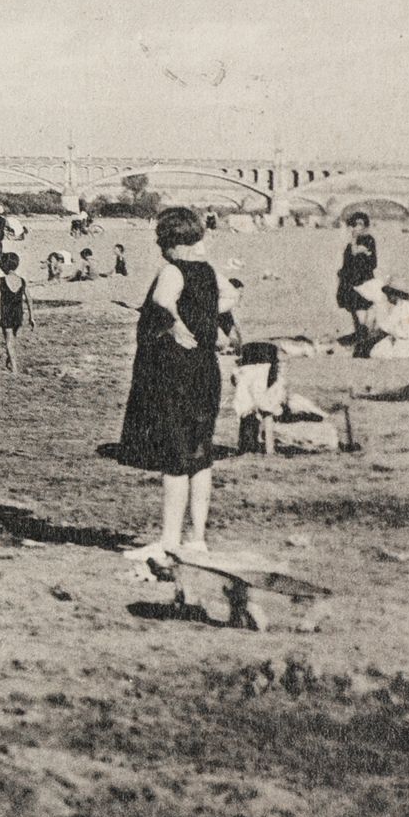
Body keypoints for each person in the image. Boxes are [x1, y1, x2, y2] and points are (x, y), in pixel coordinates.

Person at [116, 207, 237, 563]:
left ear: (168, 242)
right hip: (205, 370)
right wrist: (210, 322)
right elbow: (231, 297)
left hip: (176, 372)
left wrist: (178, 326)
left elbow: (161, 300)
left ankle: (169, 540)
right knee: (200, 454)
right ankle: (197, 538)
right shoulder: (209, 271)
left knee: (175, 456)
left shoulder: (173, 270)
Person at [354, 279, 409, 359]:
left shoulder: (403, 307)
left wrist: (368, 343)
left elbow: (386, 329)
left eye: (390, 294)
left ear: (397, 294)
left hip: (408, 345)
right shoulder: (402, 305)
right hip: (405, 342)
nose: (387, 296)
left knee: (375, 353)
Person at [0, 251, 33, 372]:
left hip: (7, 313)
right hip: (19, 314)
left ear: (4, 265)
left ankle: (14, 368)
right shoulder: (22, 281)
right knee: (13, 337)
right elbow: (29, 299)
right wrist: (31, 317)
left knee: (8, 340)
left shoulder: (2, 281)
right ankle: (10, 361)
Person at [336, 212, 378, 341]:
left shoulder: (368, 239)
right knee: (354, 308)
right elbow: (347, 262)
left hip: (363, 280)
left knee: (362, 307)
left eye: (361, 224)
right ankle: (360, 333)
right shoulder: (351, 244)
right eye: (355, 224)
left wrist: (353, 239)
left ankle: (363, 335)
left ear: (365, 225)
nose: (357, 227)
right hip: (350, 280)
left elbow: (361, 256)